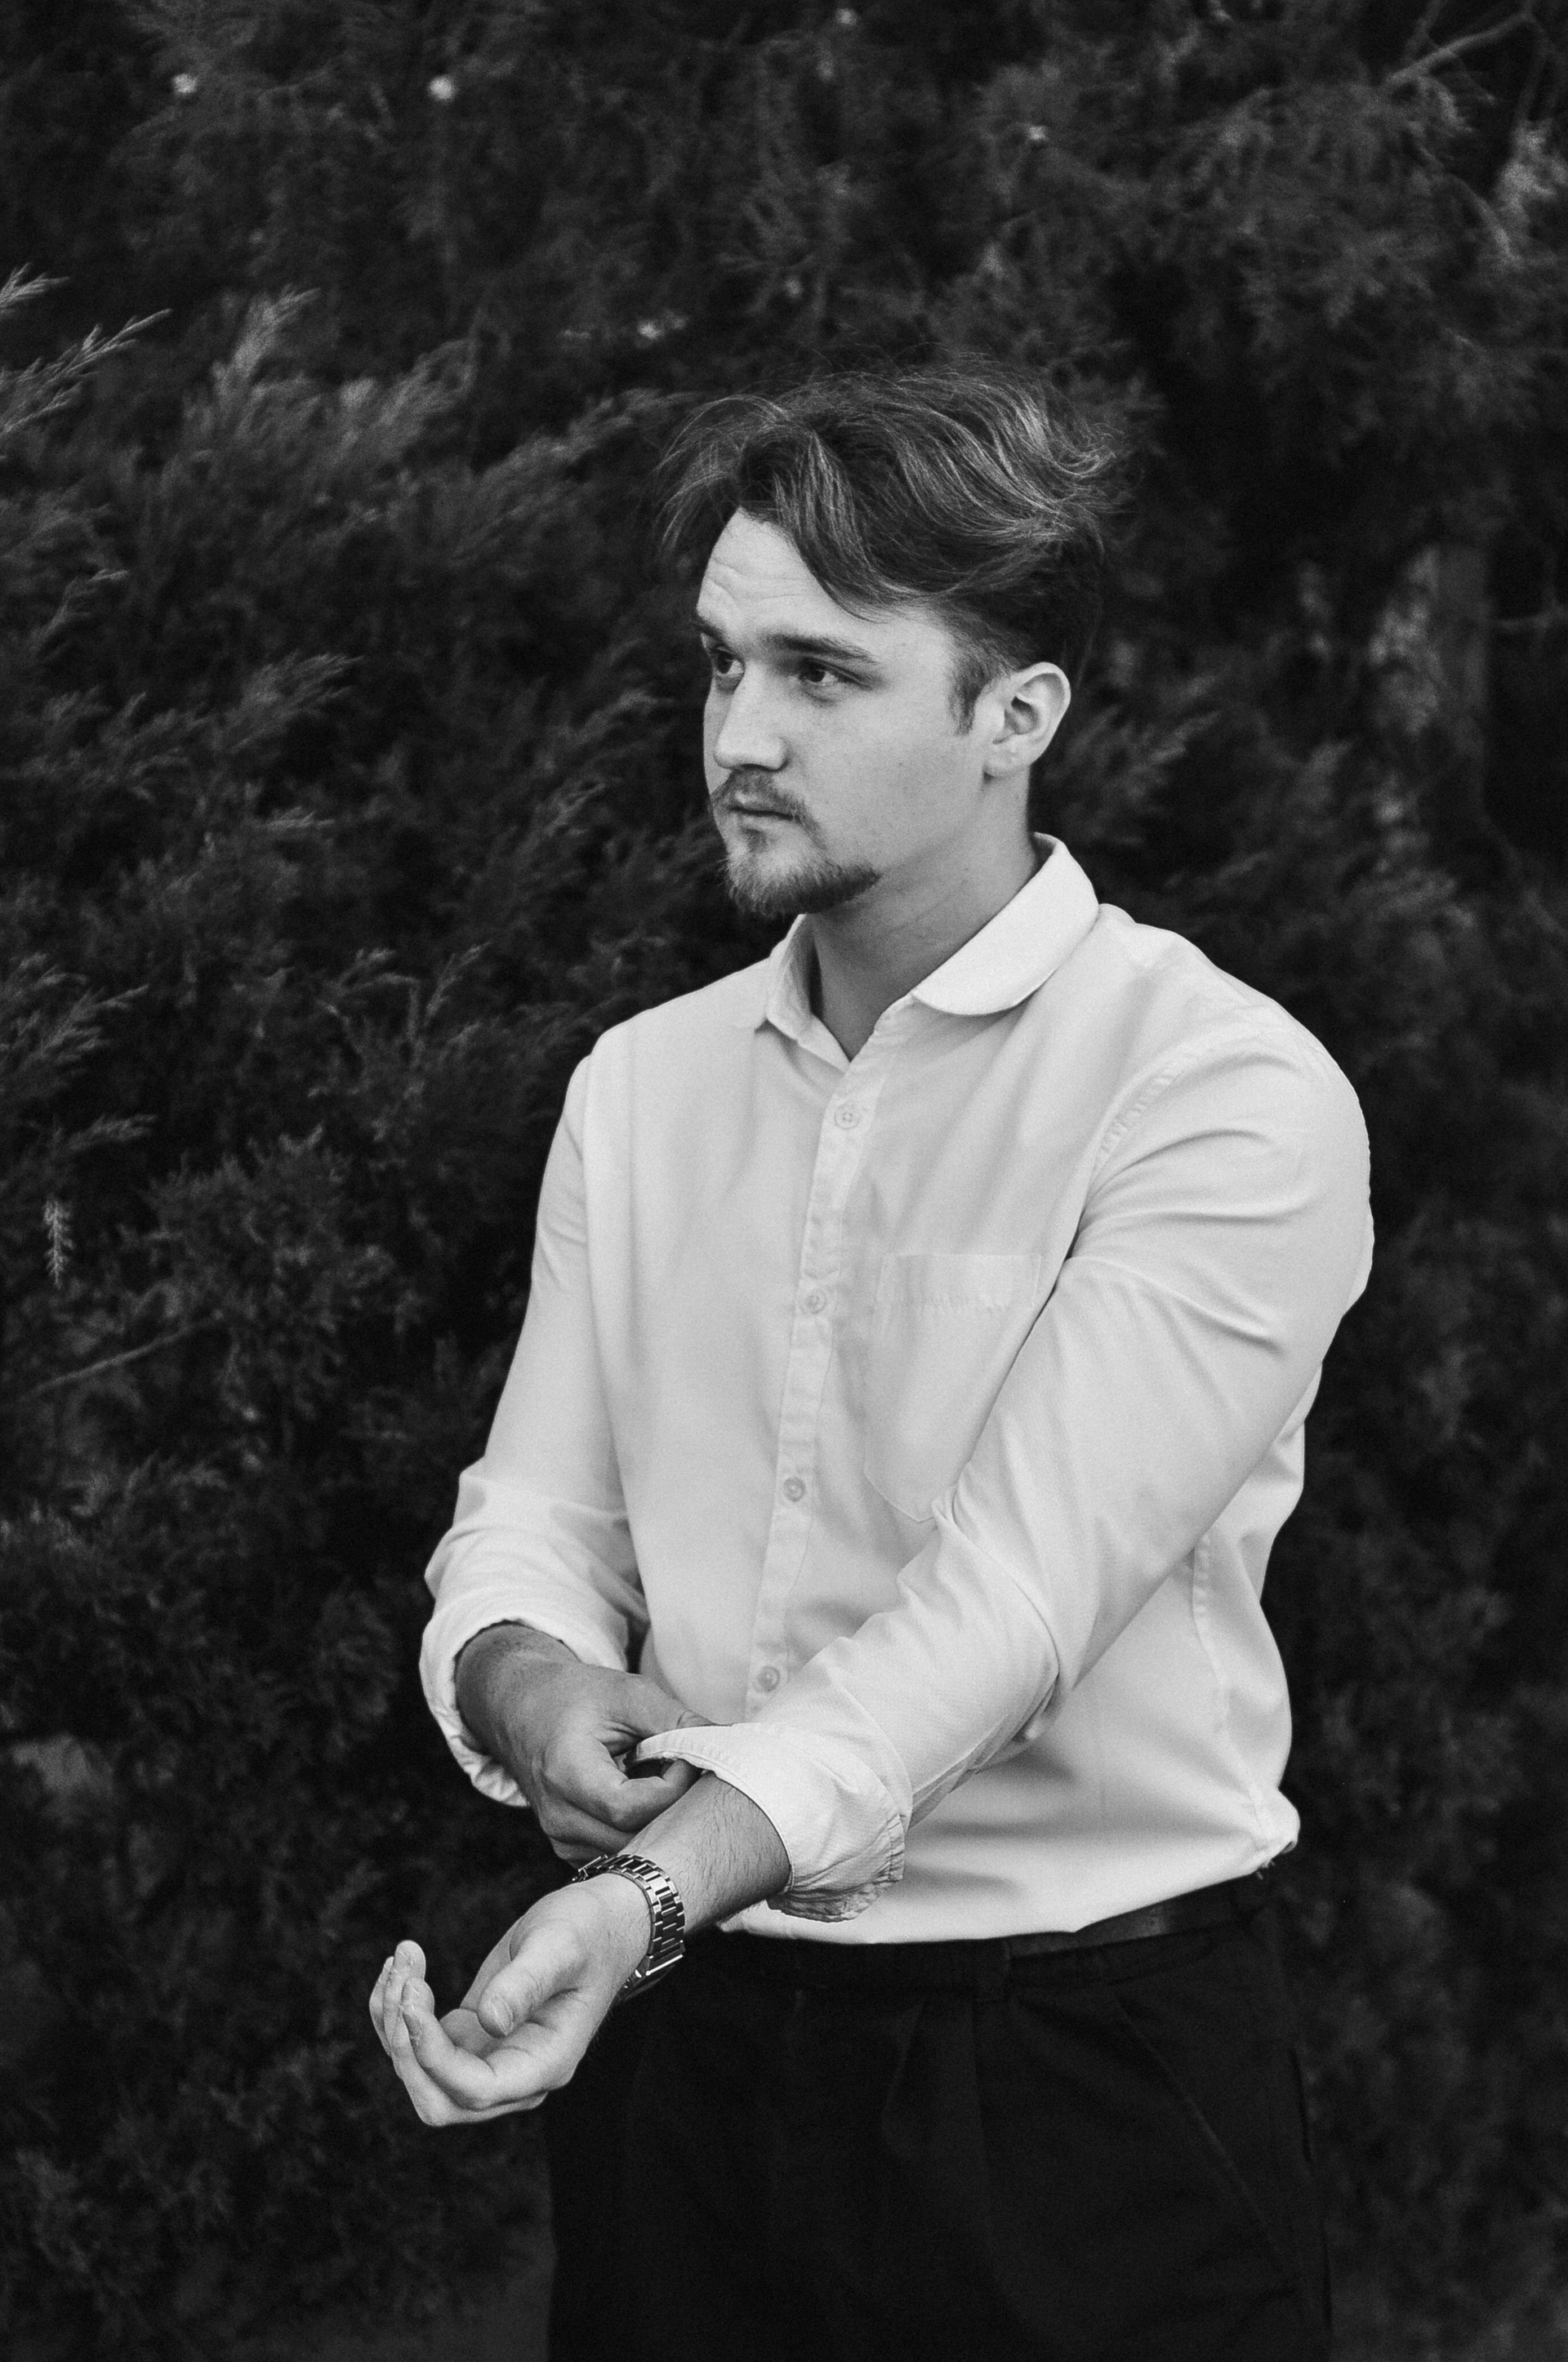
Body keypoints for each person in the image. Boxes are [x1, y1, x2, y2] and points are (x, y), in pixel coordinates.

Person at [369, 364, 1371, 2362]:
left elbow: (1004, 1616)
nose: (740, 736)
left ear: (1019, 716)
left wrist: (647, 1891)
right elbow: (530, 1524)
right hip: (691, 2066)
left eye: (822, 675)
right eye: (723, 665)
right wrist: (532, 1688)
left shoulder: (1221, 1094)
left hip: (1079, 2081)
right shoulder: (641, 1087)